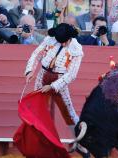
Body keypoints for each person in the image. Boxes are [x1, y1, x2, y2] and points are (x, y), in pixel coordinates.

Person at [24, 23, 86, 153]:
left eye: (65, 41)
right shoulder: (50, 40)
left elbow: (72, 74)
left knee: (68, 112)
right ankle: (40, 143)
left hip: (60, 80)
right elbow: (36, 54)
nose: (63, 44)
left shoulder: (77, 49)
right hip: (42, 76)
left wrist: (53, 86)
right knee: (38, 110)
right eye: (60, 41)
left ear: (70, 38)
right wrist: (30, 70)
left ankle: (80, 143)